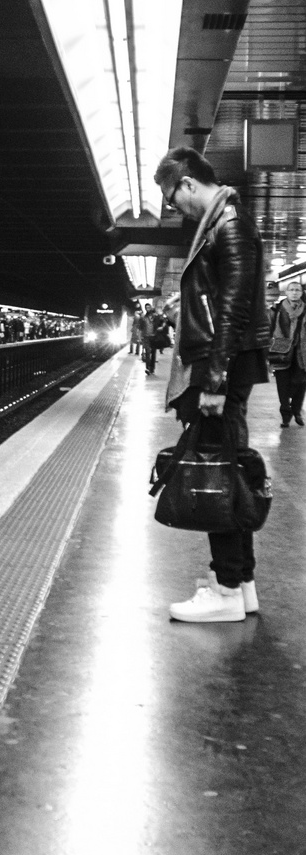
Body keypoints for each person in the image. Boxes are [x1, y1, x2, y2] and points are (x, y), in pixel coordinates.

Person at [155, 147, 271, 623]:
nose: (174, 208)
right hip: (222, 362)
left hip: (222, 364)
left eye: (171, 198)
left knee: (215, 471)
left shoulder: (229, 225)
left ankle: (224, 589)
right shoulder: (226, 222)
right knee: (226, 465)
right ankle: (240, 582)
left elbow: (234, 306)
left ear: (186, 184)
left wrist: (216, 377)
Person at [268, 279, 305, 428]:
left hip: (302, 351)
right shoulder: (277, 309)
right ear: (286, 292)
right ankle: (285, 414)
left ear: (302, 293)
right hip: (281, 348)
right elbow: (269, 329)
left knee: (300, 383)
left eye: (297, 290)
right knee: (282, 384)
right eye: (292, 290)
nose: (294, 293)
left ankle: (296, 410)